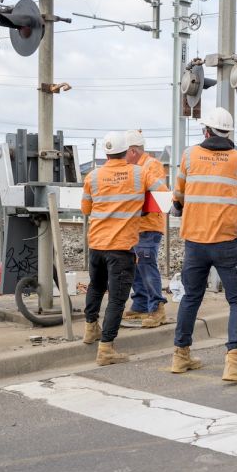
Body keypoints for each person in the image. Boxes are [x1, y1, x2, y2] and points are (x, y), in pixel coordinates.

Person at [169, 107, 237, 383]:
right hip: (224, 240)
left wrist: (180, 204)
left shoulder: (189, 155)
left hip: (194, 240)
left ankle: (180, 356)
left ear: (206, 131)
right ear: (228, 133)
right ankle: (234, 363)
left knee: (191, 296)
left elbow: (179, 194)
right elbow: (235, 189)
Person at [81, 132, 147, 366]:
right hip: (120, 247)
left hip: (97, 244)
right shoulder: (138, 173)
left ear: (106, 152)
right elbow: (160, 193)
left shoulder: (93, 176)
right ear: (126, 150)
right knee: (117, 299)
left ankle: (91, 329)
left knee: (96, 286)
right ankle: (106, 348)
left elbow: (86, 209)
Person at [121, 130, 170, 328]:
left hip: (148, 225)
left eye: (124, 152)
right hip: (135, 226)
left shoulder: (151, 165)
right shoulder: (131, 167)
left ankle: (157, 308)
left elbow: (159, 193)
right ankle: (141, 304)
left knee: (147, 265)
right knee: (136, 266)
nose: (122, 156)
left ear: (133, 151)